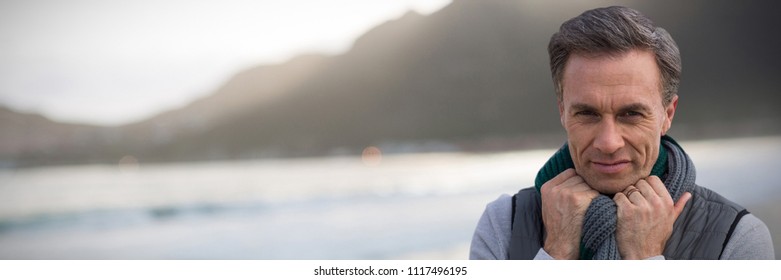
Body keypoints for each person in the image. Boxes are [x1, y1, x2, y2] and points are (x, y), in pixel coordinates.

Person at [469, 6, 774, 260]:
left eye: (631, 114)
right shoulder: (502, 224)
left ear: (667, 114)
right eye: (587, 113)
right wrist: (556, 253)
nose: (608, 142)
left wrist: (646, 260)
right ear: (562, 111)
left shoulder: (738, 238)